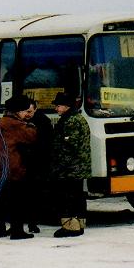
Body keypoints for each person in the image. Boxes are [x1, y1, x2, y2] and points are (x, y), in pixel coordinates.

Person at [0, 94, 37, 240]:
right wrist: (32, 125)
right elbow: (31, 136)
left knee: (0, 201)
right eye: (24, 111)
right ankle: (17, 231)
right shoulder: (15, 124)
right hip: (13, 169)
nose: (25, 114)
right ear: (17, 111)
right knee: (17, 201)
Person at [50, 91, 92, 238]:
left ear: (66, 106)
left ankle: (69, 226)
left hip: (70, 168)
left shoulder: (71, 121)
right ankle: (79, 224)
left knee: (67, 197)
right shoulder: (79, 118)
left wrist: (58, 165)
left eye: (58, 105)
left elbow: (68, 146)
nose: (56, 108)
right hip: (79, 167)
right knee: (78, 196)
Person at [24, 98, 54, 233]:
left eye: (30, 111)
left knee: (33, 195)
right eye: (26, 111)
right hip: (28, 164)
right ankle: (30, 222)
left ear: (36, 109)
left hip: (37, 164)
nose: (28, 114)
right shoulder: (25, 121)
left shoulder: (43, 122)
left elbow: (45, 144)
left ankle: (32, 223)